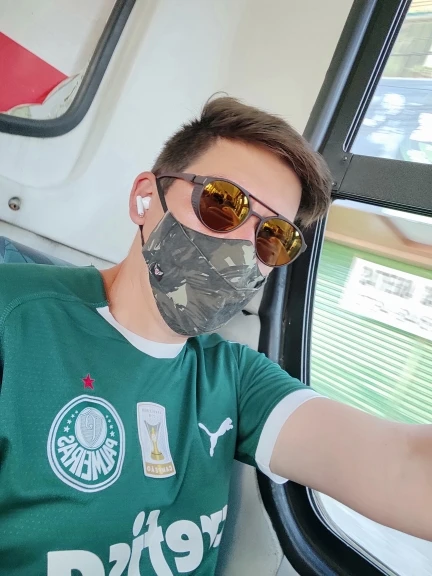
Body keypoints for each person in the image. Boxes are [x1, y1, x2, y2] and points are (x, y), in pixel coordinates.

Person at [0, 96, 430, 576]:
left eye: (273, 236)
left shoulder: (235, 378)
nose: (244, 246)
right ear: (146, 198)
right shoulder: (13, 314)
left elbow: (402, 466)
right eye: (222, 203)